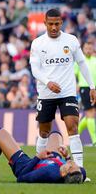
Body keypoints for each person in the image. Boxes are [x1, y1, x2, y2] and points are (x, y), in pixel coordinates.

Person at [29, 9, 96, 168]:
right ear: (45, 23)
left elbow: (82, 63)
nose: (53, 27)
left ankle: (79, 168)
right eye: (50, 24)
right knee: (44, 131)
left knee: (72, 126)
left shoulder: (71, 40)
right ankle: (36, 165)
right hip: (46, 93)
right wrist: (48, 82)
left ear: (61, 23)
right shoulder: (38, 43)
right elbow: (35, 69)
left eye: (57, 24)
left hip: (67, 92)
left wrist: (92, 86)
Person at [0, 128, 86, 183]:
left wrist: (38, 157)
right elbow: (76, 170)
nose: (72, 163)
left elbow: (21, 178)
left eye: (71, 165)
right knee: (55, 134)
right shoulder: (79, 173)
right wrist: (67, 157)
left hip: (25, 165)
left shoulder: (48, 173)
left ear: (64, 173)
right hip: (53, 159)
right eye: (75, 165)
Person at [76, 41, 96, 145]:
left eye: (90, 48)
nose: (88, 50)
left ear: (93, 49)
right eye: (86, 48)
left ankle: (75, 133)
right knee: (90, 113)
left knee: (90, 115)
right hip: (85, 88)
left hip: (94, 88)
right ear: (83, 49)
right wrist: (76, 85)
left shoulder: (95, 60)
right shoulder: (79, 61)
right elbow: (73, 74)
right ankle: (95, 141)